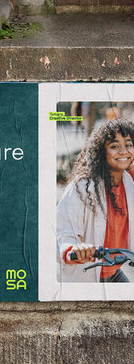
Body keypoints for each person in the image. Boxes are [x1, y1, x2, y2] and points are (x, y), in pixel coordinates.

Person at [57, 118, 134, 283]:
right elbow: (63, 232)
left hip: (113, 272)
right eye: (114, 146)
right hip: (85, 275)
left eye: (128, 144)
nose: (124, 151)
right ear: (101, 151)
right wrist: (75, 249)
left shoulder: (129, 182)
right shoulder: (82, 188)